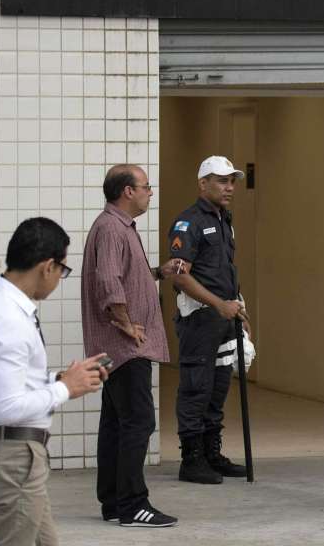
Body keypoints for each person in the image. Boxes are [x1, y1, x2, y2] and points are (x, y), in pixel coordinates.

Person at [0, 217, 108, 546]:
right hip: (11, 455)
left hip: (9, 452)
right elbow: (7, 406)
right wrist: (64, 389)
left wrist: (59, 379)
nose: (60, 279)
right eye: (63, 271)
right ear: (47, 266)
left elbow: (7, 381)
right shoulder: (9, 320)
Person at [82, 165, 184, 527]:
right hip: (126, 347)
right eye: (146, 186)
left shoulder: (117, 227)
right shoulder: (112, 228)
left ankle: (113, 502)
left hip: (119, 346)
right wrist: (127, 325)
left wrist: (158, 272)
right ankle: (132, 505)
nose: (150, 193)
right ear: (127, 191)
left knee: (117, 422)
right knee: (139, 422)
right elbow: (109, 281)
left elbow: (123, 275)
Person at [168, 155, 249, 484]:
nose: (229, 187)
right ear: (203, 184)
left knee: (217, 389)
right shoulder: (188, 223)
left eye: (232, 181)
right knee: (195, 389)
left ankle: (212, 453)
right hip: (200, 318)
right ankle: (192, 460)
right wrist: (218, 304)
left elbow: (226, 272)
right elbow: (179, 275)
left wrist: (238, 308)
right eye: (221, 180)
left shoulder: (225, 219)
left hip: (225, 317)